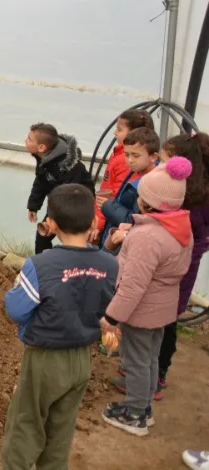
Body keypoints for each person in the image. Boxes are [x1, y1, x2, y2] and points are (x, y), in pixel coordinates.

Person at [0, 184, 118, 469]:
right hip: (81, 359)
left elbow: (15, 309)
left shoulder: (41, 265)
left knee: (25, 425)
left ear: (50, 224)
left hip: (44, 359)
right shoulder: (110, 265)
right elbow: (107, 306)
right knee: (61, 432)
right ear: (93, 221)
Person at [101, 157, 193, 437]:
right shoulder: (179, 228)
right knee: (150, 359)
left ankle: (135, 414)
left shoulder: (147, 237)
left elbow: (133, 286)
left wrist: (112, 317)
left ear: (148, 201)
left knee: (137, 362)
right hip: (163, 309)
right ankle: (144, 408)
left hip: (141, 312)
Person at [153, 133, 209, 398]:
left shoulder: (189, 197)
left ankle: (157, 372)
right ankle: (155, 370)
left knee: (165, 320)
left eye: (165, 163)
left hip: (178, 264)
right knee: (167, 317)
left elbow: (190, 235)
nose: (161, 168)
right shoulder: (198, 190)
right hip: (184, 262)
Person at [24, 123, 93, 255]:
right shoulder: (45, 158)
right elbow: (41, 181)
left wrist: (53, 218)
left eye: (29, 139)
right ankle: (45, 268)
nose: (25, 141)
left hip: (78, 205)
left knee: (73, 241)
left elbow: (67, 195)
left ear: (41, 147)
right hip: (59, 201)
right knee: (42, 236)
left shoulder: (68, 167)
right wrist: (33, 206)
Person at [93, 109, 155, 242]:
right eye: (128, 155)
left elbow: (117, 199)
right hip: (111, 219)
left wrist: (99, 222)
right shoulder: (122, 156)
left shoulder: (127, 163)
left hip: (115, 225)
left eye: (119, 129)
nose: (115, 132)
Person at [100, 127, 160, 254]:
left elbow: (134, 220)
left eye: (135, 155)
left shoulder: (151, 186)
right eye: (127, 155)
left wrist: (108, 205)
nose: (130, 160)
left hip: (126, 247)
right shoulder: (135, 172)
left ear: (153, 157)